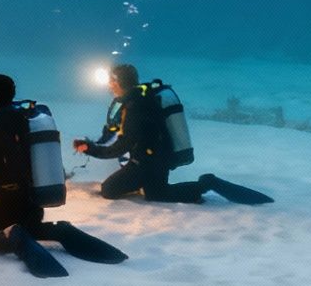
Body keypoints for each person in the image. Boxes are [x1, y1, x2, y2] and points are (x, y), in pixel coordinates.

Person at [0, 73, 124, 277]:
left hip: (2, 206)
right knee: (28, 227)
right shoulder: (28, 120)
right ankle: (59, 230)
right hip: (32, 206)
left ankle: (10, 238)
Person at [73, 63, 273, 205]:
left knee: (109, 190)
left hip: (147, 163)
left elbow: (121, 146)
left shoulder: (135, 107)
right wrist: (93, 144)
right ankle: (200, 184)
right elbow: (113, 131)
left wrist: (90, 149)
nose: (109, 86)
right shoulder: (135, 100)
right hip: (158, 159)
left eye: (111, 81)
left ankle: (207, 183)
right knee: (157, 194)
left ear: (119, 83)